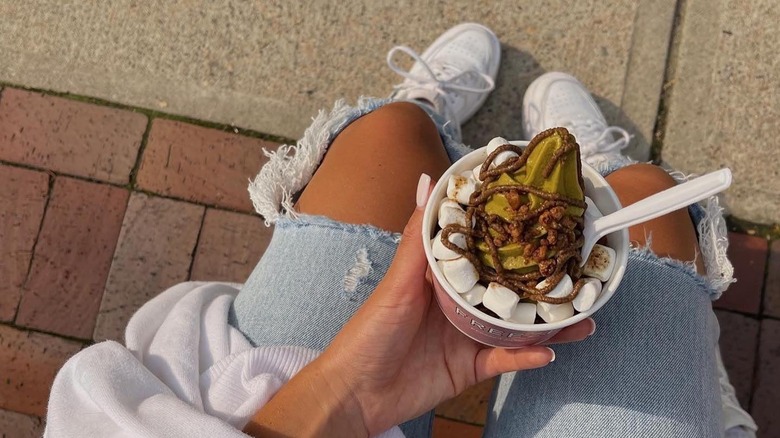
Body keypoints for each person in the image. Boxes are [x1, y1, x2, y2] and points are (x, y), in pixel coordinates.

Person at [45, 23, 757, 438]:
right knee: (653, 209)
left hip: (242, 417)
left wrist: (344, 400)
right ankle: (599, 176)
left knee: (383, 141)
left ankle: (426, 115)